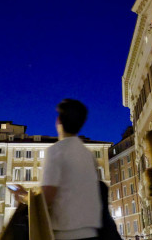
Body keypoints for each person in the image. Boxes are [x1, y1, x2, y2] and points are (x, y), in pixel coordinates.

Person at [40, 99, 102, 240]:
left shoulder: (55, 151)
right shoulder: (88, 155)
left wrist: (24, 197)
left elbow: (46, 198)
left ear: (59, 121)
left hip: (65, 233)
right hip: (91, 233)